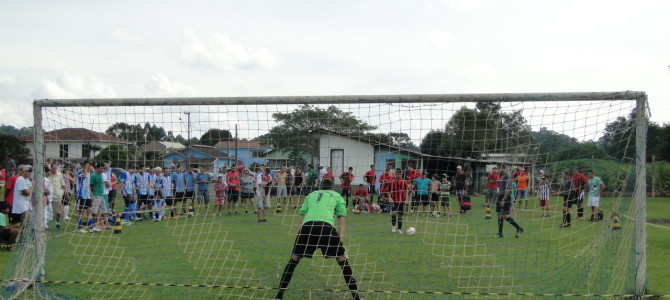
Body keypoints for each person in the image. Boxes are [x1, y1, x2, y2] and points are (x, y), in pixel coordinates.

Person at [275, 178, 361, 300]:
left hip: (307, 227)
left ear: (320, 186)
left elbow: (301, 215)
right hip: (326, 228)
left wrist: (300, 234)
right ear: (332, 188)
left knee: (294, 259)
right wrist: (340, 241)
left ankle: (279, 296)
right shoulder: (337, 195)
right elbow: (341, 220)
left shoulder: (311, 195)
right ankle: (356, 297)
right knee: (343, 261)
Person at [495, 166, 524, 238]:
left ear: (503, 168)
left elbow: (508, 189)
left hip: (505, 197)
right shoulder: (501, 176)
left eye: (499, 168)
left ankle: (519, 228)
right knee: (499, 215)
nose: (497, 170)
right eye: (497, 168)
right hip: (500, 195)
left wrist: (504, 199)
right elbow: (499, 186)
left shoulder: (507, 176)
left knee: (504, 215)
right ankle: (500, 233)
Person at [76, 162, 95, 232]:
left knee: (90, 210)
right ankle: (80, 228)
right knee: (81, 212)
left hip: (87, 196)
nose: (89, 167)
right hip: (81, 195)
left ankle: (91, 227)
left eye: (89, 166)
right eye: (88, 166)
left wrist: (91, 194)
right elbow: (83, 177)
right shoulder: (79, 173)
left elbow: (88, 185)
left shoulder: (89, 174)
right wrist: (86, 168)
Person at [46, 163, 66, 230]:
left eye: (56, 168)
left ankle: (57, 223)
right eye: (53, 168)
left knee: (58, 211)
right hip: (48, 196)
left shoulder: (59, 174)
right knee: (47, 211)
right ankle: (46, 224)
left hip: (58, 195)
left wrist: (64, 192)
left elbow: (63, 184)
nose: (55, 169)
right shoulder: (47, 175)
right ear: (50, 168)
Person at [390, 168, 409, 234]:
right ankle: (393, 227)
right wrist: (390, 198)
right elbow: (388, 191)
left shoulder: (404, 182)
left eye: (400, 174)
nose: (399, 175)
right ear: (395, 174)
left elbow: (406, 191)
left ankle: (399, 229)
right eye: (398, 174)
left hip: (401, 201)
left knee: (400, 215)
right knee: (394, 213)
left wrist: (406, 199)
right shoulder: (392, 182)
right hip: (394, 200)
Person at [89, 163, 106, 232]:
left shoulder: (101, 175)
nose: (102, 170)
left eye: (103, 168)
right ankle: (93, 226)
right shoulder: (93, 175)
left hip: (101, 195)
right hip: (96, 195)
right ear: (97, 168)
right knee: (94, 212)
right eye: (101, 168)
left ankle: (98, 225)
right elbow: (90, 186)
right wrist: (91, 195)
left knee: (102, 211)